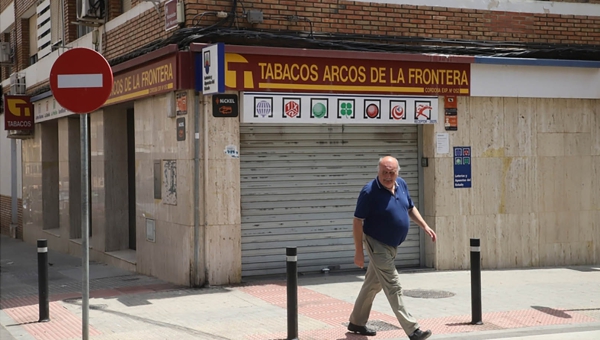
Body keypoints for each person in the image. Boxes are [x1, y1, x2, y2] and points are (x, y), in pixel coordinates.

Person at [347, 156, 437, 340]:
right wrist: (358, 251)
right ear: (378, 172)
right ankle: (413, 329)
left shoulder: (401, 184)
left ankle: (356, 322)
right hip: (376, 244)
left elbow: (410, 208)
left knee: (372, 284)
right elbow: (357, 221)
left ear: (397, 172)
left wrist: (425, 226)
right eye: (384, 173)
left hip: (392, 246)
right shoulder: (369, 192)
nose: (388, 176)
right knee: (393, 285)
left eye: (392, 172)